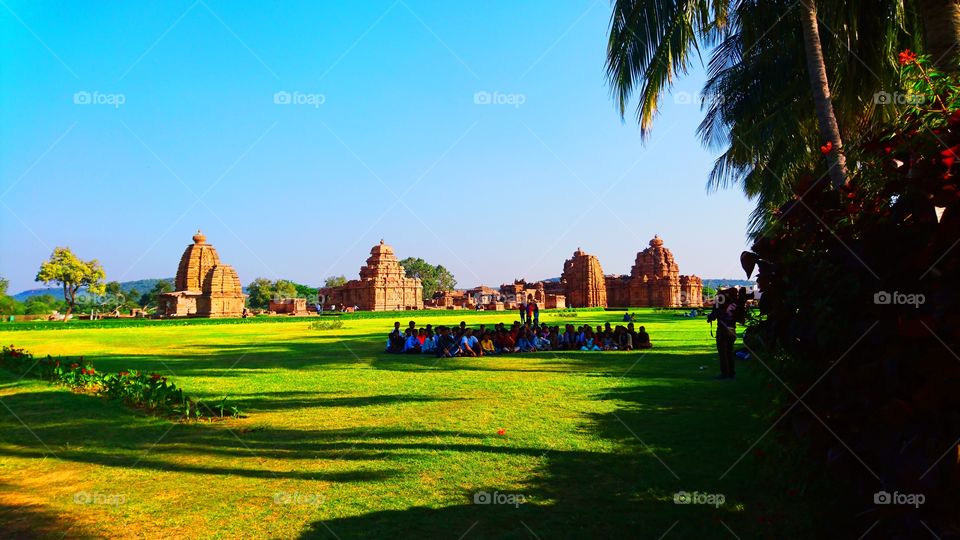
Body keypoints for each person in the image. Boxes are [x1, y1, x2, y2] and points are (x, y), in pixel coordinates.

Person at [707, 290, 739, 379]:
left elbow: (713, 315)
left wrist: (709, 318)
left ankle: (725, 374)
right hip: (732, 329)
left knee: (723, 353)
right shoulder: (734, 302)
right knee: (729, 352)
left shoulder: (719, 302)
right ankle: (731, 373)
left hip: (723, 330)